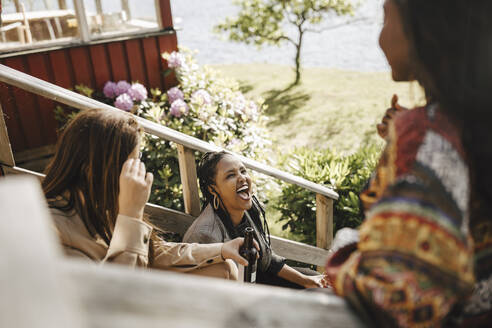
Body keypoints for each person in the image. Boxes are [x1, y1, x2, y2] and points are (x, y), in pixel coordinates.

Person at [325, 0, 492, 327]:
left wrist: (344, 250)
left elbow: (398, 300)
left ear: (427, 29)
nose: (380, 37)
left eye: (386, 16)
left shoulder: (427, 133)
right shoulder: (468, 125)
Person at [43, 108, 256, 280]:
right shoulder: (55, 231)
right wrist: (131, 214)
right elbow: (115, 299)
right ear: (100, 167)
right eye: (132, 162)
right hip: (120, 304)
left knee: (224, 267)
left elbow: (155, 253)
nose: (139, 171)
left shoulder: (99, 203)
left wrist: (221, 249)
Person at [183, 151, 325, 289]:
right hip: (236, 295)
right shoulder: (204, 234)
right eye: (230, 175)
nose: (242, 178)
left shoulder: (247, 207)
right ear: (213, 189)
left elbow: (267, 260)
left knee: (315, 279)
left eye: (243, 171)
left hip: (257, 277)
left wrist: (306, 281)